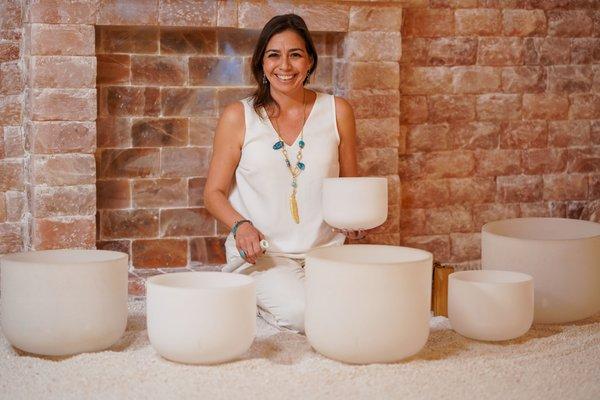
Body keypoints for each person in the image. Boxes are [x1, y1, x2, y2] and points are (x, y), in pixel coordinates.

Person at [204, 14, 363, 334]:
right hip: (263, 256)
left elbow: (350, 184)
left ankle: (302, 290)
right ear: (261, 63)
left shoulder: (338, 111)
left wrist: (356, 220)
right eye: (274, 55)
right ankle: (257, 293)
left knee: (367, 307)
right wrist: (240, 225)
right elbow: (213, 193)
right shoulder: (239, 116)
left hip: (326, 253)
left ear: (310, 61)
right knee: (304, 314)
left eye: (295, 54)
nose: (285, 65)